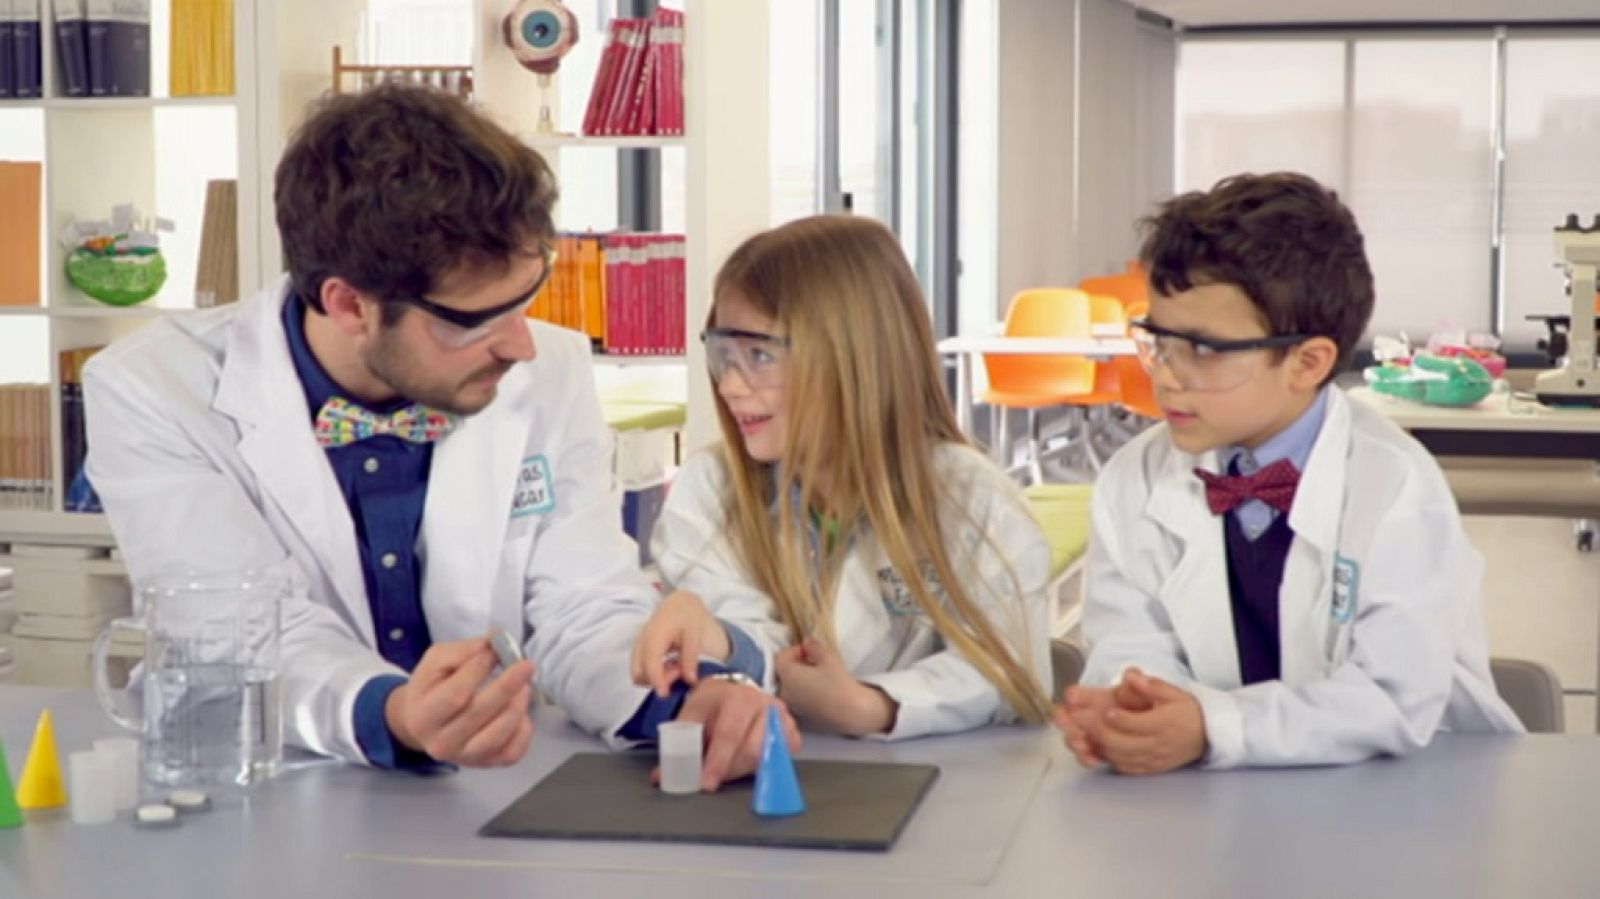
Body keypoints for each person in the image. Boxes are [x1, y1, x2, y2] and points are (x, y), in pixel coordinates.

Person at [85, 85, 794, 785]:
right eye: (475, 320)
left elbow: (584, 603)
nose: (520, 346)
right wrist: (391, 713)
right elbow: (234, 630)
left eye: (526, 300)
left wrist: (682, 701)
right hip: (271, 787)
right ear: (349, 305)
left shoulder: (552, 368)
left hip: (482, 800)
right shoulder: (153, 389)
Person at [1058, 172, 1523, 775]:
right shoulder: (1134, 477)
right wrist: (1141, 713)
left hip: (1402, 787)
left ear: (1307, 362)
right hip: (1201, 798)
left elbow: (1390, 696)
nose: (1166, 375)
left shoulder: (1393, 486)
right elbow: (1128, 647)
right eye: (1159, 341)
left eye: (1203, 349)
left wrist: (1212, 726)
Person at [631, 215, 1053, 739]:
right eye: (723, 355)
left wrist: (874, 706)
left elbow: (1012, 670)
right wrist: (721, 639)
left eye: (760, 355)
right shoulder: (710, 489)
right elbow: (752, 640)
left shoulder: (972, 498)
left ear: (854, 359)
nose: (731, 387)